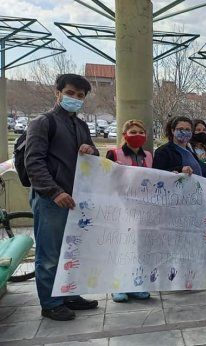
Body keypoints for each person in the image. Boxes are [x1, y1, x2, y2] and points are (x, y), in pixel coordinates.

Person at [24, 73, 100, 320]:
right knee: (49, 255)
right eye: (70, 93)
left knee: (71, 251)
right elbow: (33, 162)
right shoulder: (43, 122)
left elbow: (94, 156)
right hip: (51, 199)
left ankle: (69, 294)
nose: (74, 98)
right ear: (57, 93)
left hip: (75, 198)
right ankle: (50, 303)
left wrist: (91, 150)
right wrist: (54, 191)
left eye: (80, 95)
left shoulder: (81, 125)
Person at [106, 119, 153, 303]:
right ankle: (117, 286)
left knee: (138, 248)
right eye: (132, 132)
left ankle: (134, 285)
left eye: (140, 132)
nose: (137, 135)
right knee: (121, 248)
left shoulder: (148, 156)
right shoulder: (114, 154)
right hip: (120, 207)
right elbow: (106, 179)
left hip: (141, 209)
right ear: (124, 135)